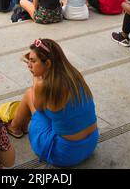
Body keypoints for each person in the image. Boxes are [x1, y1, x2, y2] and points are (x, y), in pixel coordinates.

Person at [7, 39, 99, 167]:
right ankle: (19, 126)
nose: (29, 65)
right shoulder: (74, 75)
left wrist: (36, 77)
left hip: (64, 154)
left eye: (33, 61)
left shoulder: (43, 85)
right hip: (90, 143)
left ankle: (14, 127)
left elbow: (38, 108)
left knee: (29, 94)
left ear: (48, 63)